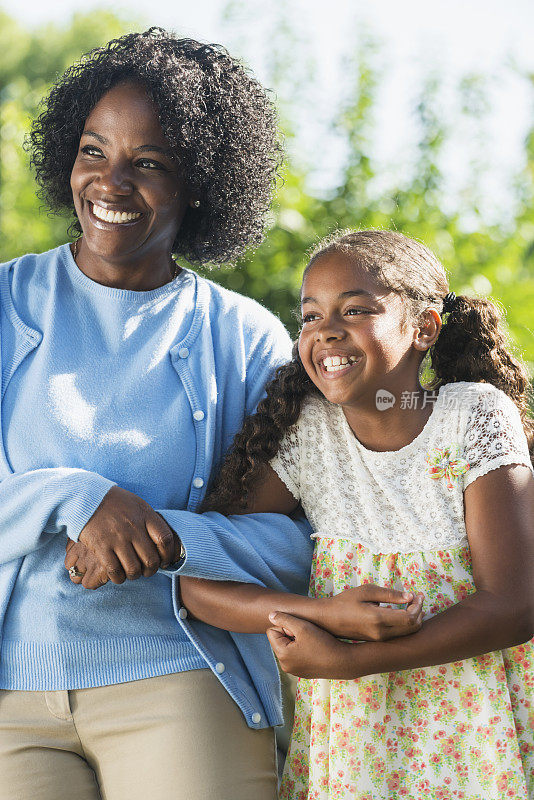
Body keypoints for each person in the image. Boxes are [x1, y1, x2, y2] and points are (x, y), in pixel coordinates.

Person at [0, 31, 420, 800]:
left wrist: (166, 536)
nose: (111, 182)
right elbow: (68, 502)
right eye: (94, 151)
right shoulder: (3, 305)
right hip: (8, 702)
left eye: (149, 162)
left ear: (201, 182)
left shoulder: (248, 339)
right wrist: (77, 497)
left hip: (182, 679)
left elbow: (299, 540)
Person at [179, 229, 534, 799]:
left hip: (474, 729)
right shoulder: (309, 435)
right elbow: (199, 583)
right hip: (355, 740)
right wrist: (322, 615)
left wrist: (351, 662)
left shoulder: (474, 416)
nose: (326, 331)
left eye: (355, 309)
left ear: (424, 328)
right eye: (311, 316)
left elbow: (514, 606)